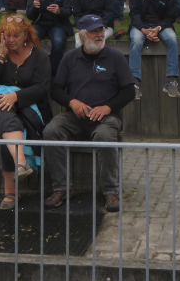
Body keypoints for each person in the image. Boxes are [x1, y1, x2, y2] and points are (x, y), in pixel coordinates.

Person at [42, 14, 135, 213]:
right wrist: (71, 102)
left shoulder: (115, 57)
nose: (99, 35)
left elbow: (129, 91)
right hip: (74, 116)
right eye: (94, 31)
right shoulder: (69, 58)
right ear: (82, 35)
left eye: (101, 30)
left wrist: (108, 108)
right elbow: (55, 89)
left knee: (104, 136)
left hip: (106, 117)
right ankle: (60, 189)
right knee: (51, 130)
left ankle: (110, 191)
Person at [0, 14, 49, 208]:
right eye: (7, 35)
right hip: (2, 108)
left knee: (6, 130)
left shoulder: (40, 56)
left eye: (16, 36)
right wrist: (1, 58)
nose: (11, 40)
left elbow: (42, 88)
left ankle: (10, 192)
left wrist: (16, 97)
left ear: (25, 35)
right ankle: (21, 164)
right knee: (1, 109)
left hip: (31, 109)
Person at [126, 0, 180, 99]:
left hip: (161, 25)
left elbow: (171, 16)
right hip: (141, 24)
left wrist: (157, 29)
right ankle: (134, 83)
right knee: (136, 40)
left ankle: (171, 81)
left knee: (172, 39)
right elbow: (133, 12)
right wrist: (143, 29)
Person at [25, 0, 73, 75]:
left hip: (58, 24)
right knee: (30, 40)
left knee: (58, 42)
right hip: (39, 23)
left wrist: (59, 11)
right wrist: (35, 7)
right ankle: (30, 70)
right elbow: (29, 15)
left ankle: (51, 73)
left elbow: (69, 11)